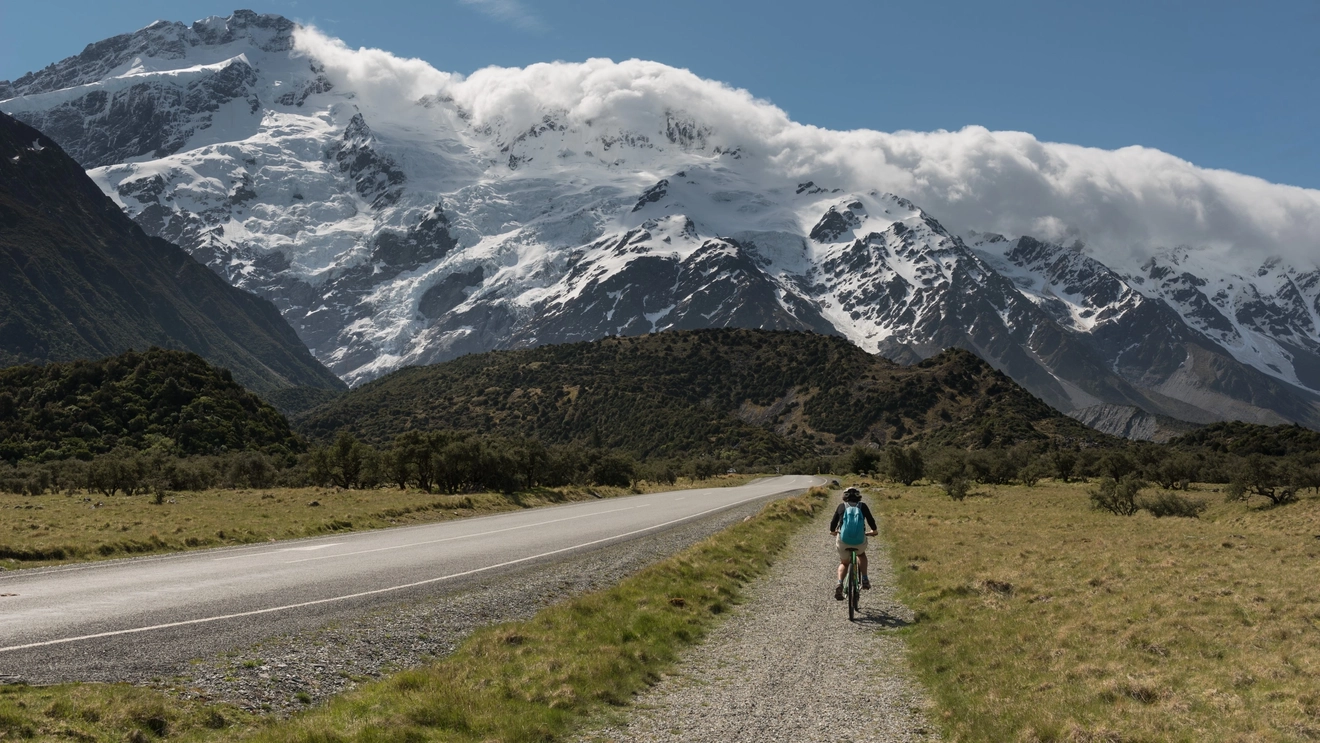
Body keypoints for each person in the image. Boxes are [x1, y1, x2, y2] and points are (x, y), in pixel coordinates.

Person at [829, 487, 878, 600]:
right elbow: (871, 520)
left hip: (843, 540)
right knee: (861, 555)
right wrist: (874, 531)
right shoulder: (862, 506)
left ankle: (840, 583)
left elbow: (833, 524)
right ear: (858, 496)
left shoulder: (841, 507)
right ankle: (864, 578)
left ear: (844, 497)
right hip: (859, 541)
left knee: (844, 563)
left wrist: (833, 532)